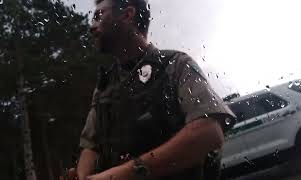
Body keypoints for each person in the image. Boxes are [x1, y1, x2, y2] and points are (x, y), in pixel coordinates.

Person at [68, 0, 236, 179]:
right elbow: (91, 146)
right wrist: (83, 176)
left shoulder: (175, 65)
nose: (92, 26)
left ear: (127, 15)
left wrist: (123, 175)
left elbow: (209, 133)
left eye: (99, 16)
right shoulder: (104, 87)